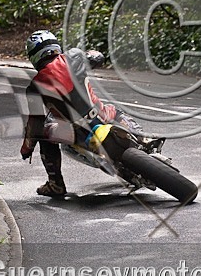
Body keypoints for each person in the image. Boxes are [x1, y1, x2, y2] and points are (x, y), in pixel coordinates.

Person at [20, 30, 141, 197]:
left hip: (75, 132)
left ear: (34, 55)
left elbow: (35, 124)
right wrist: (90, 56)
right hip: (101, 115)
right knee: (115, 110)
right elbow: (97, 57)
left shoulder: (34, 87)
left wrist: (26, 149)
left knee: (44, 135)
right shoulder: (73, 56)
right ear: (56, 46)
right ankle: (142, 138)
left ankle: (56, 184)